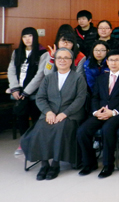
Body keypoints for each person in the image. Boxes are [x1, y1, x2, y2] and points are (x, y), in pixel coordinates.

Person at [20, 48, 87, 180]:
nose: (62, 60)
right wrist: (48, 112)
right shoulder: (48, 78)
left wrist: (64, 114)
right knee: (39, 129)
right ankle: (44, 164)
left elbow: (80, 99)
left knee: (60, 129)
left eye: (66, 58)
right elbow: (40, 98)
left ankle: (55, 164)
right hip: (49, 113)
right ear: (55, 61)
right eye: (59, 58)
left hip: (70, 114)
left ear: (71, 61)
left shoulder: (78, 78)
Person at [77, 50, 119, 178]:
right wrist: (95, 111)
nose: (113, 63)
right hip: (101, 112)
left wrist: (113, 112)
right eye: (111, 60)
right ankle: (89, 163)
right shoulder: (101, 78)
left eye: (116, 60)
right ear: (107, 62)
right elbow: (95, 97)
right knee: (82, 130)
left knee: (107, 129)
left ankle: (108, 165)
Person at [7, 27, 48, 155]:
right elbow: (11, 71)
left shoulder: (43, 53)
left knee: (36, 118)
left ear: (35, 37)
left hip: (35, 92)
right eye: (25, 37)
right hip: (19, 91)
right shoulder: (17, 52)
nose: (27, 39)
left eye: (30, 36)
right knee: (22, 117)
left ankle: (36, 143)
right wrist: (14, 88)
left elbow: (41, 74)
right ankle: (23, 144)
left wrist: (27, 91)